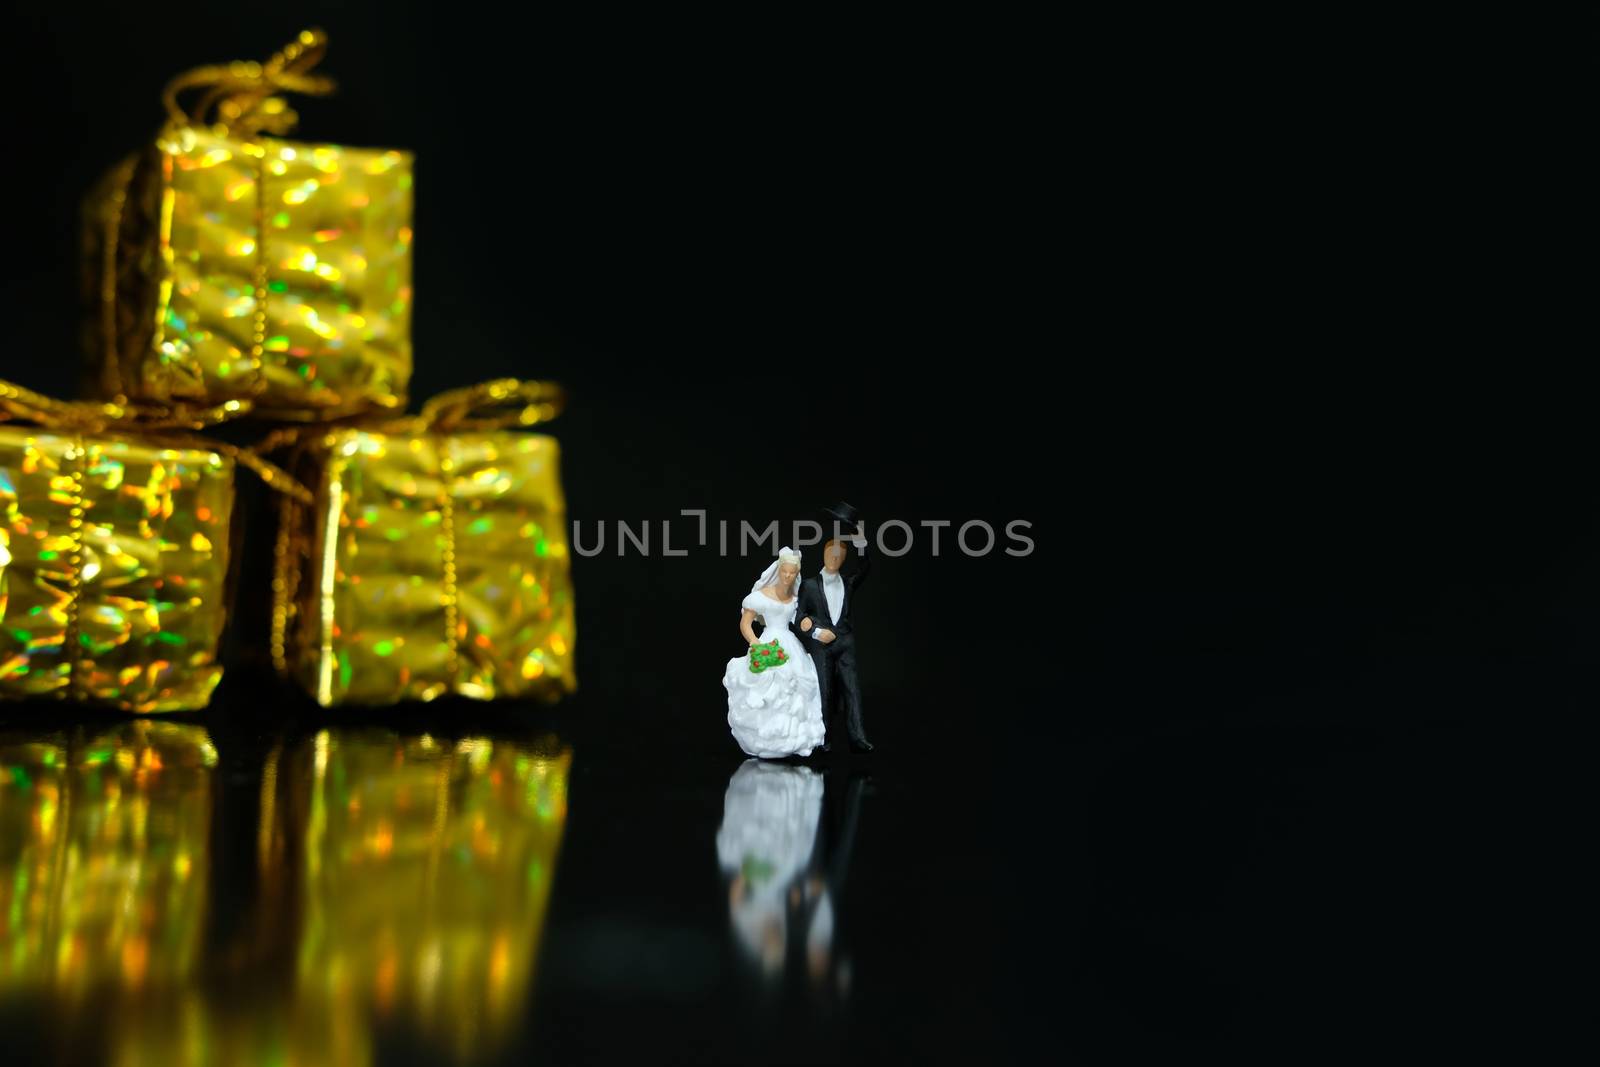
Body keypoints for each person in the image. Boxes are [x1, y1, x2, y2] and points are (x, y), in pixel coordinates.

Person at [723, 547, 826, 758]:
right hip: (768, 641)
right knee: (766, 684)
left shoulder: (796, 598)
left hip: (790, 643)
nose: (788, 576)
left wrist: (811, 626)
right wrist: (755, 643)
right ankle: (764, 737)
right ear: (779, 570)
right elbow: (745, 624)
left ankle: (791, 738)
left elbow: (800, 620)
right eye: (785, 572)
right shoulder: (761, 596)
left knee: (796, 685)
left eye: (792, 573)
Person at [795, 503, 874, 752]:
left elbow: (866, 567)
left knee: (853, 690)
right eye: (831, 555)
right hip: (822, 646)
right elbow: (799, 618)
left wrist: (860, 540)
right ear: (824, 555)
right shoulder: (808, 585)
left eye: (840, 557)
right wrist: (816, 631)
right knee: (825, 691)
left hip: (845, 643)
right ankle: (824, 738)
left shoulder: (848, 584)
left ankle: (857, 737)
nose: (835, 559)